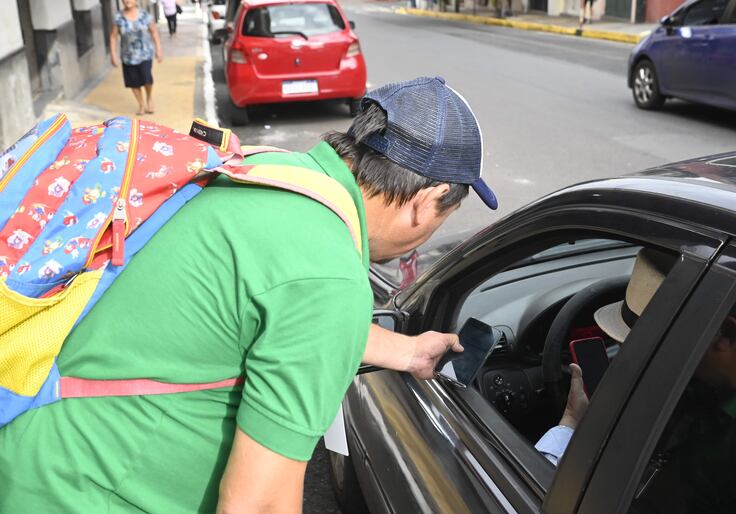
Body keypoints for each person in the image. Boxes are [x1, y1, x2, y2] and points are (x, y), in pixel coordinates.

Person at [0, 76, 497, 513]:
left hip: (42, 455)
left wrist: (409, 351)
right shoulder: (327, 276)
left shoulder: (276, 174)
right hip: (91, 494)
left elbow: (269, 316)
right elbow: (256, 503)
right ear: (428, 202)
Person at [534, 249, 736, 514]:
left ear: (725, 335)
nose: (636, 361)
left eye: (651, 350)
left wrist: (569, 425)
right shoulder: (709, 390)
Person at [110, 0, 163, 116]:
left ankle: (149, 98)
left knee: (147, 78)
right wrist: (113, 55)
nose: (127, 1)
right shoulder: (118, 17)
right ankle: (141, 104)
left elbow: (154, 33)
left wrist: (159, 50)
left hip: (145, 54)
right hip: (128, 56)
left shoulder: (145, 15)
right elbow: (113, 37)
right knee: (133, 82)